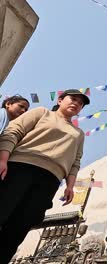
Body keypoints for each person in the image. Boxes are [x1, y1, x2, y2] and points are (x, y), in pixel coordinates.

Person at [0, 89, 90, 262]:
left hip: (50, 180)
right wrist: (3, 158)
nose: (76, 104)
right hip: (21, 166)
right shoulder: (42, 113)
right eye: (73, 99)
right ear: (61, 99)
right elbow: (14, 131)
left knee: (21, 224)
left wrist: (70, 186)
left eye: (80, 103)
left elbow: (75, 162)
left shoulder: (78, 134)